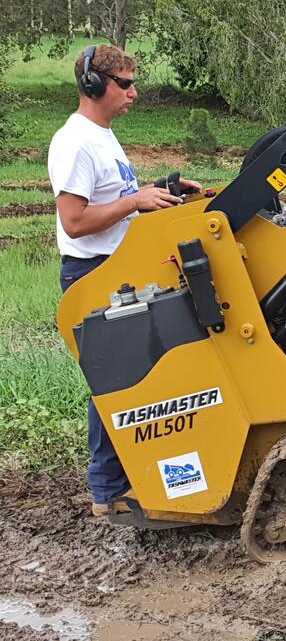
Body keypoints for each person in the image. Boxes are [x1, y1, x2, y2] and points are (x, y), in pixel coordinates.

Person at [47, 43, 200, 516]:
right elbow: (75, 221)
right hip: (92, 275)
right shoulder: (74, 141)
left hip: (118, 269)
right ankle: (108, 492)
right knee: (114, 379)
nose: (134, 93)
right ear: (95, 86)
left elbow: (113, 197)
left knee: (140, 377)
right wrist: (135, 203)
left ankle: (134, 474)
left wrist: (159, 192)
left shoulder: (103, 136)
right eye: (126, 84)